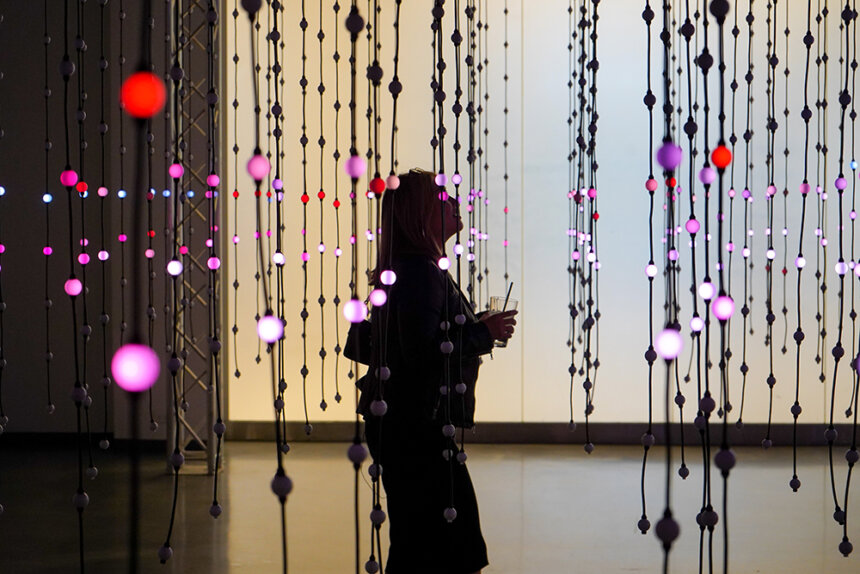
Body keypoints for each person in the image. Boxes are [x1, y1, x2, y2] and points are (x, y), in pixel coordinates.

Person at [352, 168, 517, 574]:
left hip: (405, 424)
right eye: (443, 200)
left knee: (422, 540)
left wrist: (473, 326)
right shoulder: (419, 273)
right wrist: (481, 334)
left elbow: (419, 337)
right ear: (420, 214)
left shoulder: (412, 268)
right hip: (414, 428)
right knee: (442, 545)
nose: (456, 204)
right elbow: (421, 353)